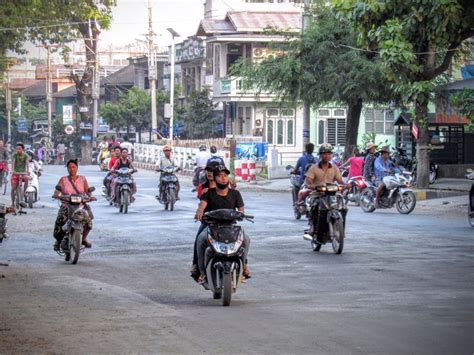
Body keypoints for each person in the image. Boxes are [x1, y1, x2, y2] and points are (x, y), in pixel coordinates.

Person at [194, 165, 250, 284]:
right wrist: (199, 212)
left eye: (225, 175)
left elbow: (241, 209)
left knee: (246, 240)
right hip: (212, 227)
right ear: (214, 178)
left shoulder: (235, 194)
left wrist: (241, 214)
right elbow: (202, 205)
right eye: (219, 176)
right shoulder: (208, 193)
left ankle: (243, 266)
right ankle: (202, 272)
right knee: (200, 240)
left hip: (231, 227)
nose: (223, 178)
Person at [52, 159, 96, 250]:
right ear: (67, 169)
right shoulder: (63, 179)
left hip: (81, 205)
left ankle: (83, 239)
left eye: (73, 167)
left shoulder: (82, 179)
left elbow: (88, 191)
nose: (71, 169)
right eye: (69, 167)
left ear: (77, 168)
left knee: (89, 222)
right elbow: (57, 191)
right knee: (60, 221)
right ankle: (59, 240)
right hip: (67, 205)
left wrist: (91, 196)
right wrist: (56, 195)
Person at [304, 143, 345, 238]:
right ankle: (313, 228)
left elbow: (340, 181)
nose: (327, 156)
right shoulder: (314, 168)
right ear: (320, 155)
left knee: (343, 208)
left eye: (329, 153)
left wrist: (345, 185)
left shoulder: (334, 168)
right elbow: (308, 181)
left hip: (332, 194)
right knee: (315, 208)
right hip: (317, 194)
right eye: (324, 153)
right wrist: (311, 185)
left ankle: (340, 229)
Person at [10, 142, 29, 208]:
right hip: (15, 173)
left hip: (23, 173)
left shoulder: (26, 155)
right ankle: (12, 203)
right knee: (13, 189)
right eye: (17, 149)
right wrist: (13, 170)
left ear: (22, 149)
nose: (18, 150)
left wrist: (27, 170)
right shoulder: (14, 155)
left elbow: (27, 163)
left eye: (19, 149)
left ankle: (24, 192)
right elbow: (13, 163)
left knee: (26, 178)